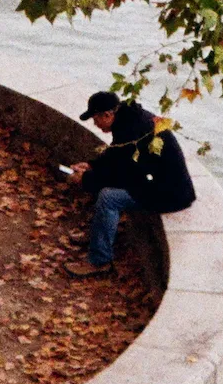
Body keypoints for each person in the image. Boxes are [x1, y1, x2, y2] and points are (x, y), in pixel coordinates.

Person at [66, 90, 196, 274]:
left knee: (109, 197)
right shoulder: (128, 121)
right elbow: (117, 155)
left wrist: (86, 179)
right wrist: (92, 166)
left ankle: (99, 261)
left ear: (108, 114)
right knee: (101, 184)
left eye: (96, 119)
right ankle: (98, 235)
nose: (95, 124)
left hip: (170, 192)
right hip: (152, 180)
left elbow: (125, 175)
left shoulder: (134, 131)